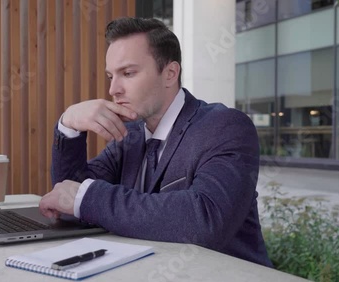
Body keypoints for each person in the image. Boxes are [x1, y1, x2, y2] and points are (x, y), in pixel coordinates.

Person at [39, 17, 272, 267]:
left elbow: (205, 219)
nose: (113, 89)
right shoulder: (131, 134)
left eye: (128, 73)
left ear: (170, 73)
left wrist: (87, 198)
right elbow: (70, 194)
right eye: (110, 76)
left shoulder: (225, 127)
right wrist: (69, 126)